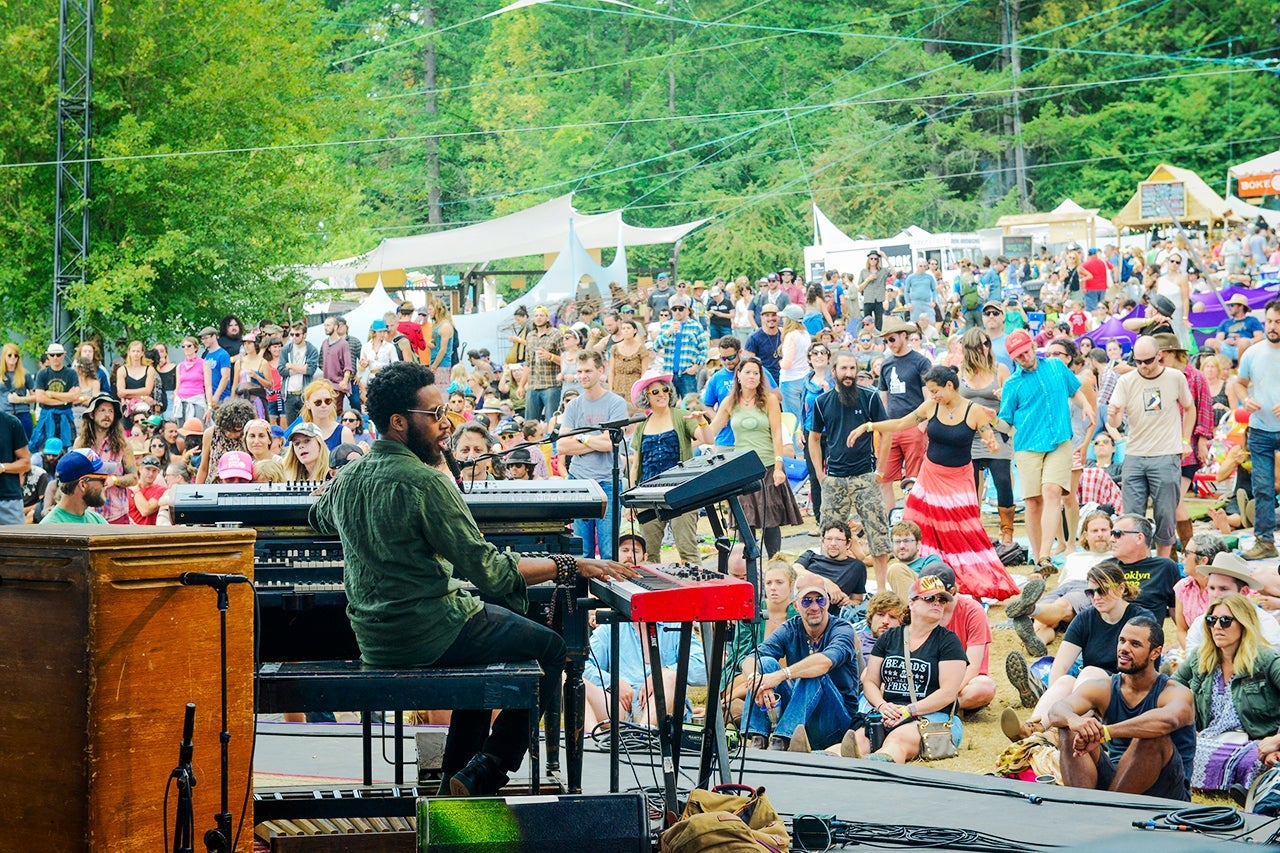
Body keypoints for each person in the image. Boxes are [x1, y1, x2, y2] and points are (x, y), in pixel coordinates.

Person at [309, 360, 631, 796]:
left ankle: (457, 781)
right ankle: (489, 769)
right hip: (429, 632)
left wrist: (333, 493)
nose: (447, 426)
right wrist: (572, 564)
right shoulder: (426, 483)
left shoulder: (350, 477)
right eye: (436, 415)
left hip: (375, 637)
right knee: (552, 647)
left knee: (483, 645)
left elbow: (318, 515)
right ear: (400, 422)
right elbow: (494, 573)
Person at [852, 365, 1018, 600]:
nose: (932, 395)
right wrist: (869, 426)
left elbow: (988, 434)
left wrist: (992, 443)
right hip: (930, 476)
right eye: (930, 391)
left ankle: (968, 580)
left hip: (959, 479)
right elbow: (901, 423)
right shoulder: (931, 406)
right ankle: (920, 577)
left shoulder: (974, 411)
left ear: (950, 386)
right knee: (920, 525)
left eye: (935, 390)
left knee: (962, 531)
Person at [1047, 616, 1195, 800]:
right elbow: (1056, 710)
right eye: (1122, 641)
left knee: (1151, 736)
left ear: (1155, 653)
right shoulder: (1104, 687)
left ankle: (1109, 811)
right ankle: (1081, 808)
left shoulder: (1175, 692)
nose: (1124, 648)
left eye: (1135, 644)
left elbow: (1167, 720)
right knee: (1068, 728)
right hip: (1117, 781)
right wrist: (1076, 722)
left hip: (1165, 792)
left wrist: (1105, 732)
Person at [1005, 559, 1154, 738]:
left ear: (1121, 588)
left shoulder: (1141, 620)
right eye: (1090, 593)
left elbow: (1144, 670)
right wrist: (1058, 705)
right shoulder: (1085, 619)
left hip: (1129, 692)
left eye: (1102, 590)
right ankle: (1034, 727)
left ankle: (1057, 733)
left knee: (1090, 673)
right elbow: (1060, 665)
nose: (1096, 597)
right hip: (1090, 694)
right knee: (1065, 681)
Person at [998, 328, 1096, 573]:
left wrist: (1085, 406)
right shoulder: (1012, 384)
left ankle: (1045, 556)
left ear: (1033, 345)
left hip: (1060, 439)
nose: (1025, 357)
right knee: (1033, 502)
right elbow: (1005, 423)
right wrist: (989, 420)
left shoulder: (1056, 366)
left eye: (1026, 351)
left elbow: (1074, 389)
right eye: (1019, 356)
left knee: (1053, 491)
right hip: (1028, 444)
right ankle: (1038, 555)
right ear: (1013, 358)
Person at [740, 573, 863, 755]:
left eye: (819, 600)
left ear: (828, 602)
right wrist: (757, 681)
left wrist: (781, 675)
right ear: (796, 605)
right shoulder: (790, 628)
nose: (814, 607)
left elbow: (824, 662)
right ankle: (757, 737)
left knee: (812, 673)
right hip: (800, 716)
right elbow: (750, 659)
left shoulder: (843, 629)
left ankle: (781, 740)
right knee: (764, 663)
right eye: (806, 601)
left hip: (836, 722)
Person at [1173, 593, 1280, 794]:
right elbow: (1169, 690)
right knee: (1172, 746)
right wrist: (1186, 726)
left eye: (1226, 621)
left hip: (1252, 742)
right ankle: (1246, 782)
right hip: (1208, 739)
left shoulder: (1266, 659)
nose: (1217, 627)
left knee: (1255, 758)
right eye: (1212, 620)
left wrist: (1276, 740)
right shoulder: (1200, 658)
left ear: (1244, 624)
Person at [854, 575, 967, 763]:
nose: (937, 603)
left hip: (934, 717)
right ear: (912, 603)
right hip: (888, 713)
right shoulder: (889, 637)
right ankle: (819, 761)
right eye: (930, 598)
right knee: (858, 740)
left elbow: (948, 693)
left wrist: (909, 711)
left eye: (942, 599)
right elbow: (871, 682)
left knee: (897, 739)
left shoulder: (948, 641)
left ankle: (875, 772)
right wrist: (882, 706)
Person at [808, 350, 891, 589]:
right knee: (830, 535)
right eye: (843, 369)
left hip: (865, 475)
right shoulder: (821, 402)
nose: (849, 374)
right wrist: (820, 474)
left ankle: (882, 589)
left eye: (852, 369)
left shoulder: (870, 396)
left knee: (878, 533)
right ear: (833, 371)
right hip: (834, 478)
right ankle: (832, 585)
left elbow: (886, 432)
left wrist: (881, 471)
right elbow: (814, 439)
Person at [703, 356, 800, 557]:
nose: (752, 376)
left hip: (767, 467)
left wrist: (779, 466)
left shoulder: (769, 400)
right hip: (742, 470)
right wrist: (699, 425)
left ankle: (775, 563)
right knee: (744, 521)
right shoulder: (730, 402)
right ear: (738, 375)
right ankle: (746, 568)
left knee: (770, 521)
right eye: (747, 372)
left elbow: (777, 433)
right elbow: (713, 431)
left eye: (756, 373)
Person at [1107, 336, 1193, 558]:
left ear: (1159, 356)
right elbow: (1114, 423)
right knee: (1132, 516)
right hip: (1135, 454)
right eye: (1138, 362)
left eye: (1148, 361)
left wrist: (1185, 441)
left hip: (1165, 454)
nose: (1143, 366)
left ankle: (1163, 561)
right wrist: (1114, 416)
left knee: (1165, 512)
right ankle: (1137, 561)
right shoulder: (1126, 381)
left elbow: (1189, 408)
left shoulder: (1175, 377)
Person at [1009, 510, 1114, 657]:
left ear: (1112, 533)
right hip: (1064, 588)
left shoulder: (1116, 558)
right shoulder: (1073, 557)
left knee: (1062, 605)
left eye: (1104, 530)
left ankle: (1029, 609)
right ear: (1086, 535)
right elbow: (1063, 583)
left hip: (1089, 587)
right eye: (1094, 531)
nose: (1100, 534)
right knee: (1047, 620)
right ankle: (1038, 641)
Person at [555, 351, 628, 559]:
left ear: (600, 370)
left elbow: (609, 443)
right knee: (582, 549)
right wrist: (596, 440)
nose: (582, 376)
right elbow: (562, 446)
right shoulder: (574, 405)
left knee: (608, 550)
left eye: (588, 370)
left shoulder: (615, 403)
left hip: (607, 481)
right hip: (579, 480)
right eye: (579, 371)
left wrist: (582, 438)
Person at [629, 370, 705, 563]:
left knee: (687, 549)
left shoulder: (681, 416)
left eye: (665, 389)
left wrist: (702, 422)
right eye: (655, 392)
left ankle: (694, 591)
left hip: (681, 491)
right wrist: (631, 500)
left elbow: (707, 439)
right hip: (648, 493)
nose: (661, 394)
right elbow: (636, 464)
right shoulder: (641, 426)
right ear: (646, 397)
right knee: (649, 554)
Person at [958, 327, 1015, 543]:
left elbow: (1012, 404)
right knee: (970, 484)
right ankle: (973, 528)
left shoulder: (1000, 370)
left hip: (996, 431)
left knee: (1002, 480)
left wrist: (1004, 396)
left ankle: (1007, 530)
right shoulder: (961, 372)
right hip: (969, 435)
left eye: (987, 343)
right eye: (980, 344)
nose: (984, 348)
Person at [1237, 299, 1280, 560]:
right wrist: (1245, 399)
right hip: (1260, 429)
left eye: (1278, 322)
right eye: (1270, 321)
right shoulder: (1252, 352)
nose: (1273, 327)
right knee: (1262, 487)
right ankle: (1264, 541)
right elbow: (1240, 383)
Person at [875, 318, 930, 511]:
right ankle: (891, 520)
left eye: (892, 339)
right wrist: (883, 426)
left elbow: (928, 396)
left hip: (913, 425)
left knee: (914, 479)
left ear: (904, 336)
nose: (889, 344)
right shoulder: (886, 364)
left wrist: (921, 426)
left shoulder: (921, 361)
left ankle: (913, 519)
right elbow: (883, 398)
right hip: (891, 427)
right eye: (886, 340)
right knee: (883, 477)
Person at [1181, 551, 1280, 654]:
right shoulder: (1200, 624)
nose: (1215, 595)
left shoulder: (1265, 625)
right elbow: (1192, 661)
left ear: (1243, 592)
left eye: (1223, 589)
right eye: (1211, 588)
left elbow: (1269, 663)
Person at [926, 567, 995, 712]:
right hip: (928, 679)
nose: (933, 601)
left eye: (938, 596)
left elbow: (973, 666)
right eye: (927, 596)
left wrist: (945, 694)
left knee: (984, 687)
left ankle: (937, 707)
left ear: (951, 592)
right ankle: (945, 707)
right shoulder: (920, 609)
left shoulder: (973, 611)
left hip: (962, 683)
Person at [74, 393, 138, 524]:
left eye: (111, 411)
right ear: (92, 414)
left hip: (116, 514)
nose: (107, 415)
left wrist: (113, 480)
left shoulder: (124, 445)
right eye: (102, 410)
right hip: (87, 514)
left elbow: (134, 478)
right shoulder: (80, 443)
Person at [1110, 513, 1179, 620]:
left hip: (1143, 632)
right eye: (1111, 534)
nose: (1111, 539)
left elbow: (1175, 609)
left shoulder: (1164, 568)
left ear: (1139, 538)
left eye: (1117, 534)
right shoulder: (1107, 567)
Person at [793, 521, 867, 610]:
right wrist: (825, 583)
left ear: (848, 544)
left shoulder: (856, 567)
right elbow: (795, 569)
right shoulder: (810, 556)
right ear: (823, 542)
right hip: (801, 605)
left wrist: (849, 602)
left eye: (838, 539)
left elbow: (857, 600)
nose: (833, 543)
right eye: (829, 539)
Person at [28, 342, 80, 453]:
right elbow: (40, 398)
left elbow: (75, 396)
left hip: (65, 415)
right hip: (46, 415)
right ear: (48, 356)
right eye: (52, 355)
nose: (55, 357)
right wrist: (65, 399)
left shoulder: (71, 373)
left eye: (58, 354)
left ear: (63, 355)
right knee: (43, 447)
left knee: (66, 448)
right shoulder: (42, 374)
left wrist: (51, 394)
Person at [653, 296, 707, 398]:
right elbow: (656, 346)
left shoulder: (696, 326)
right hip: (669, 373)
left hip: (687, 373)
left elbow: (704, 349)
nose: (677, 311)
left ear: (687, 310)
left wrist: (695, 367)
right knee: (669, 406)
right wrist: (668, 332)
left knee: (691, 405)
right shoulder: (666, 326)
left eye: (681, 309)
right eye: (674, 309)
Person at [40, 448, 109, 525]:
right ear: (83, 485)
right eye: (103, 480)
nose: (106, 484)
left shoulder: (97, 520)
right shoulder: (51, 527)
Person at [195, 398, 254, 485]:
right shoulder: (211, 433)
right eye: (228, 430)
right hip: (214, 486)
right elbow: (204, 467)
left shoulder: (249, 436)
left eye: (236, 431)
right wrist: (197, 491)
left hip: (241, 486)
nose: (231, 434)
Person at [523, 306, 564, 423]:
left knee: (552, 419)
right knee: (530, 422)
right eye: (536, 315)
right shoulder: (530, 336)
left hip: (551, 384)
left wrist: (550, 356)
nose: (538, 318)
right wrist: (521, 385)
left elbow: (566, 360)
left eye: (541, 315)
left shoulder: (556, 334)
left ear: (547, 318)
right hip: (533, 385)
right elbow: (528, 363)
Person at [0, 409, 32, 524]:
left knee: (16, 541)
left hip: (7, 499)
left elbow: (26, 463)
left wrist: (3, 467)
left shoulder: (10, 422)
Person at [1216, 293, 1265, 362]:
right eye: (1229, 305)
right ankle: (1219, 369)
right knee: (1210, 342)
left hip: (1245, 348)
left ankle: (1240, 370)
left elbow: (1260, 337)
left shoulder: (1252, 320)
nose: (1229, 308)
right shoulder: (1225, 322)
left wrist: (1244, 341)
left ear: (1241, 307)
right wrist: (1225, 341)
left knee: (1243, 342)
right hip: (1227, 348)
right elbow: (1218, 339)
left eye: (1232, 305)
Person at [1, 343, 35, 440]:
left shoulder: (25, 373)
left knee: (24, 443)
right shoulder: (0, 374)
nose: (13, 358)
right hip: (4, 414)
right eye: (10, 355)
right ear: (4, 356)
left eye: (16, 355)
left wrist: (20, 399)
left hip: (22, 413)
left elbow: (36, 396)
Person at [744, 303, 784, 384]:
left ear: (778, 317)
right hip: (764, 380)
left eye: (773, 315)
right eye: (767, 315)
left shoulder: (784, 334)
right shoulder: (753, 338)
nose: (771, 318)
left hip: (784, 378)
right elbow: (749, 363)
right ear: (762, 318)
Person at [127, 455, 167, 524]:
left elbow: (145, 510)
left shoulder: (161, 490)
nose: (151, 474)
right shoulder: (128, 489)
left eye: (154, 471)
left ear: (158, 472)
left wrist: (136, 489)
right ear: (140, 469)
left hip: (149, 532)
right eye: (148, 469)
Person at [199, 326, 232, 405]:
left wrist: (217, 395)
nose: (203, 341)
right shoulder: (206, 355)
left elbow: (225, 377)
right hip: (208, 397)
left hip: (221, 398)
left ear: (214, 336)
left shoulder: (223, 354)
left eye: (206, 338)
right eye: (202, 339)